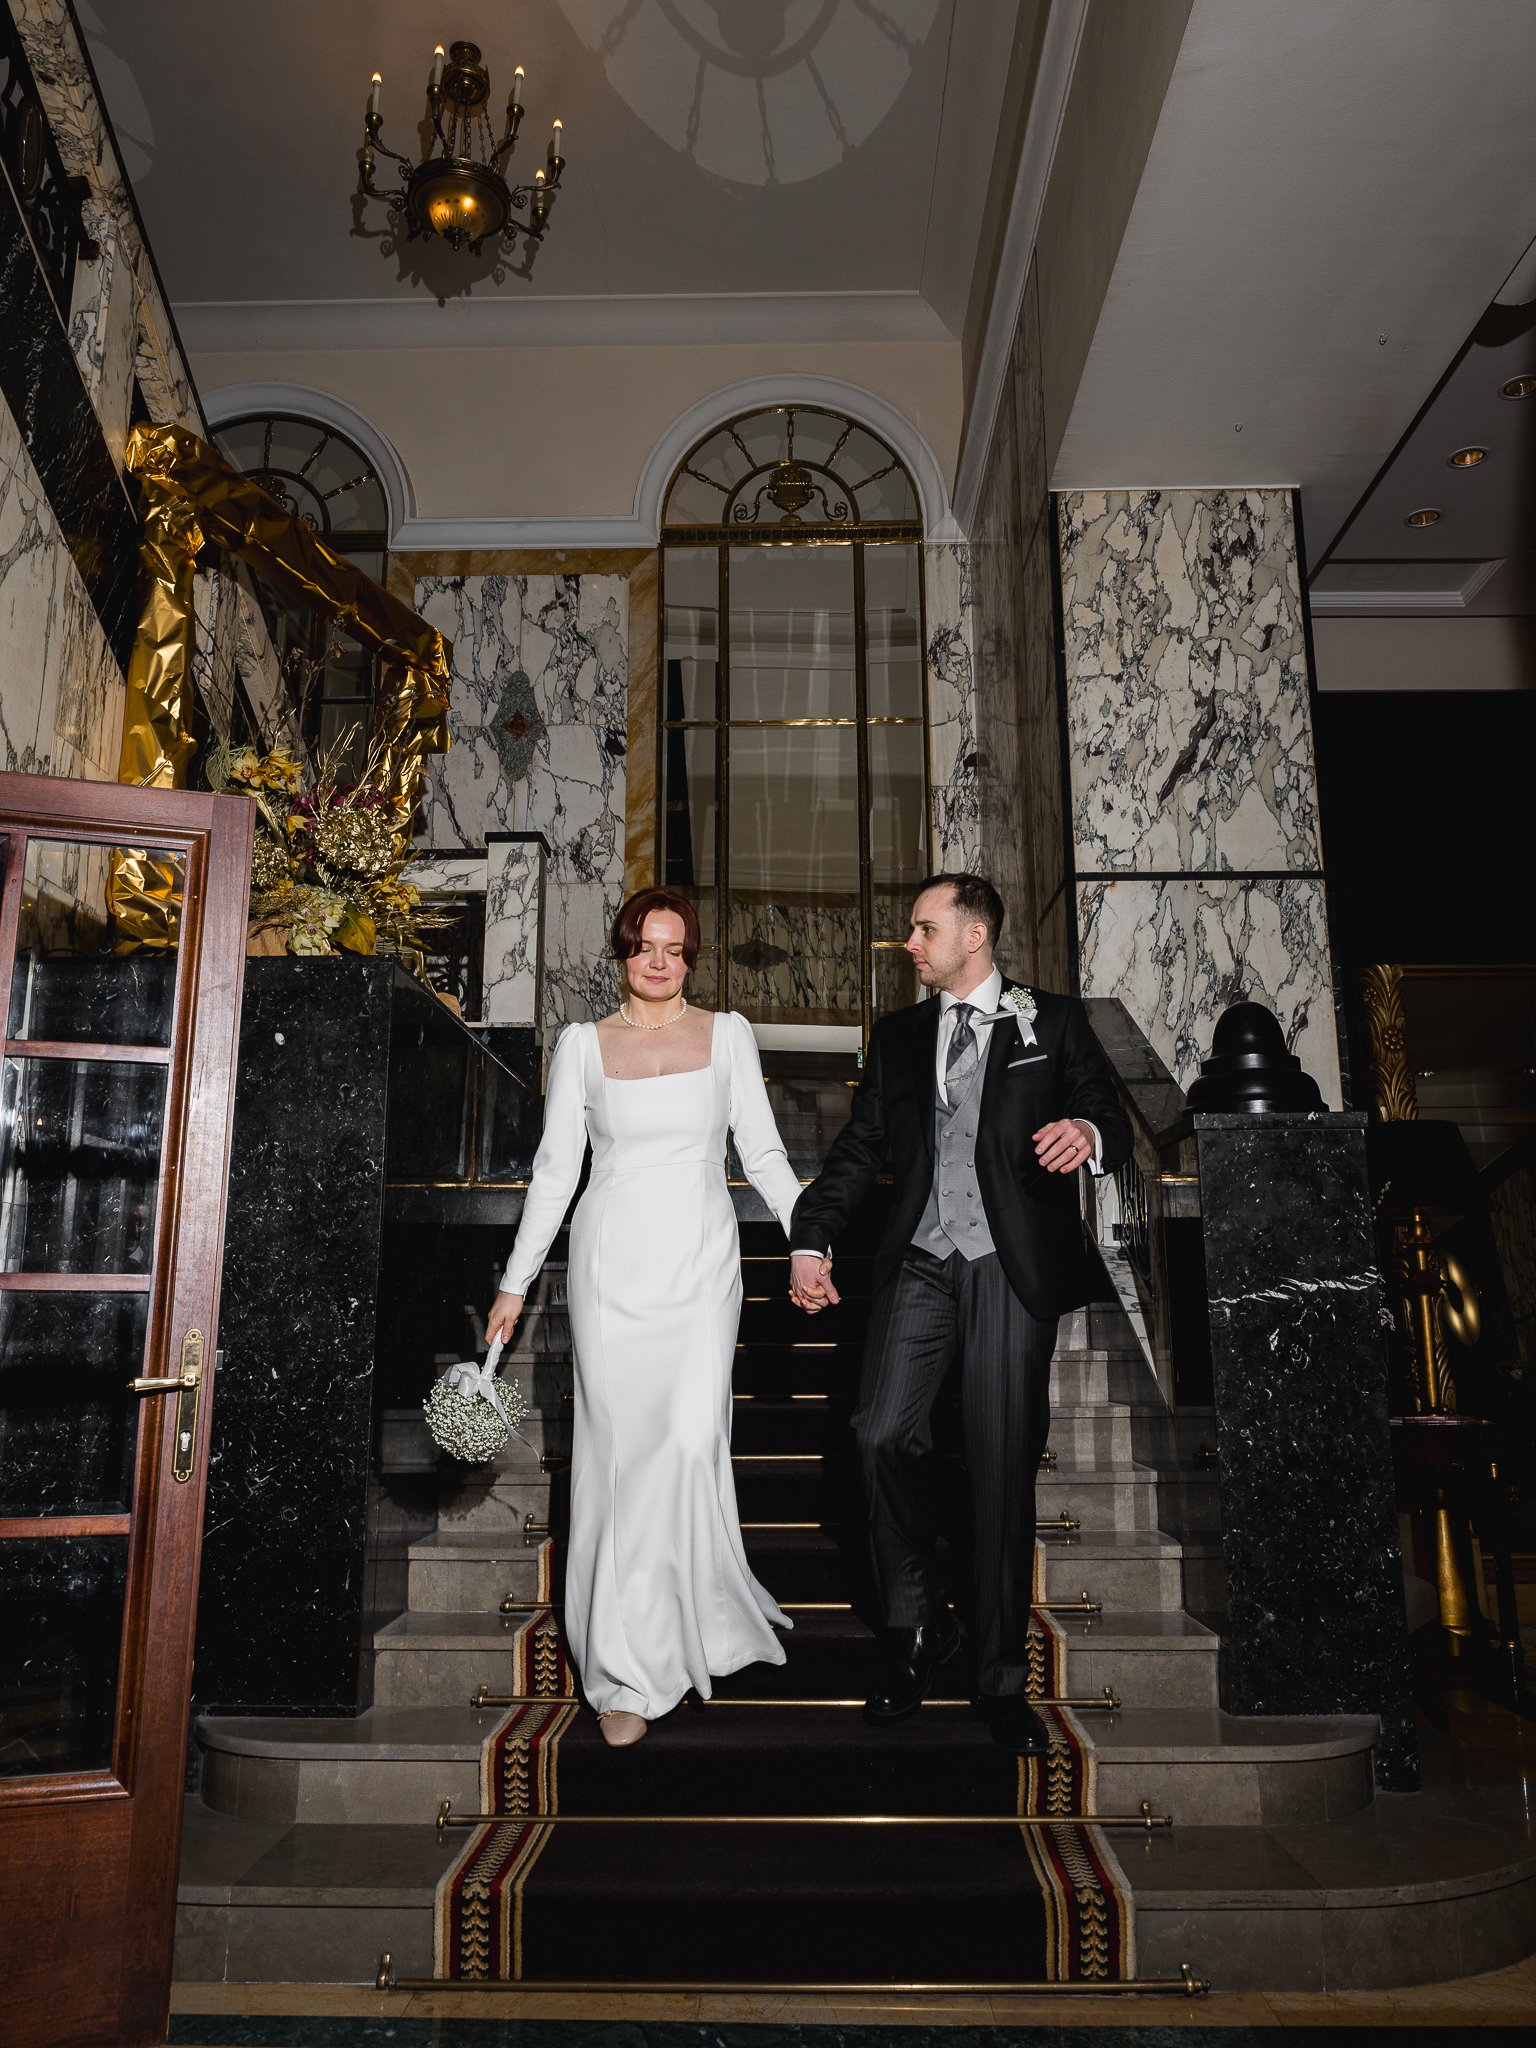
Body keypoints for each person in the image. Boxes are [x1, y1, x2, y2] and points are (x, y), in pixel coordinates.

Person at [787, 873, 1132, 1754]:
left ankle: (1000, 1679)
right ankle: (912, 1625)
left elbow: (1105, 1107)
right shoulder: (900, 1036)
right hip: (921, 1263)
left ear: (974, 935)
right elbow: (862, 1145)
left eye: (923, 928)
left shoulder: (1047, 1020)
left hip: (1008, 1269)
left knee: (999, 1465)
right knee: (875, 1434)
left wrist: (1088, 1136)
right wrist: (811, 1237)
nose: (911, 941)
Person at [485, 888, 803, 1747]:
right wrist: (516, 1283)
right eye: (643, 948)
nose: (660, 963)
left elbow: (764, 1152)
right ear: (621, 954)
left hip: (701, 1264)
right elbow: (556, 1173)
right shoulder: (583, 1047)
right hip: (610, 1266)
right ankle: (626, 1667)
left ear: (692, 956)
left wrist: (810, 1241)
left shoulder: (729, 1035)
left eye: (675, 948)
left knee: (693, 1439)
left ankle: (695, 1616)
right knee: (621, 1458)